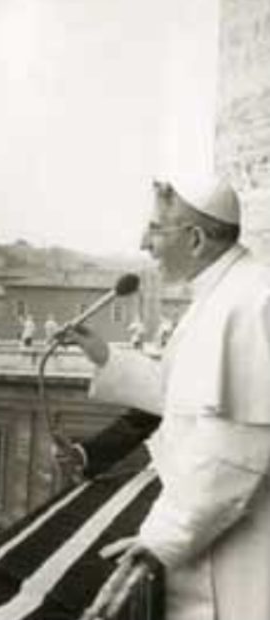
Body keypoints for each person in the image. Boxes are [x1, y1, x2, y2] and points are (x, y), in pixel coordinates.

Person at [59, 176, 270, 620]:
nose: (143, 242)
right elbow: (185, 397)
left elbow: (237, 449)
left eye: (155, 229)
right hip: (210, 532)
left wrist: (163, 538)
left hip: (238, 551)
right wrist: (104, 357)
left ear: (194, 239)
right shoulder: (222, 293)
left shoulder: (250, 301)